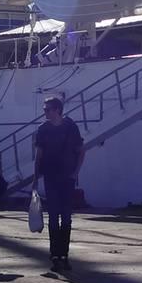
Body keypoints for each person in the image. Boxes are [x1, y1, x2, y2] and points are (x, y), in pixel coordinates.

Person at [31, 96, 84, 272]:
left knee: (66, 218)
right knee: (53, 217)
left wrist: (75, 172)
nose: (44, 112)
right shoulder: (43, 130)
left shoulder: (71, 127)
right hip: (51, 178)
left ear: (57, 110)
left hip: (67, 179)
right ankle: (55, 256)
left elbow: (80, 151)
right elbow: (38, 156)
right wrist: (35, 181)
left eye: (47, 109)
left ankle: (64, 255)